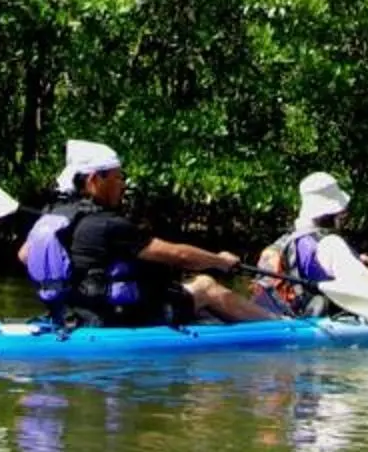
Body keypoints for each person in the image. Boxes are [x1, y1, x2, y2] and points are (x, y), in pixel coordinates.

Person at [19, 140, 278, 327]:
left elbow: (24, 255)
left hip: (70, 316)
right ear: (94, 180)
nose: (123, 184)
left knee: (185, 295)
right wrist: (220, 261)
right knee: (205, 286)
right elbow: (179, 256)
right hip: (115, 319)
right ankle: (282, 326)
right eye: (119, 178)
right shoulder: (107, 223)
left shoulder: (54, 216)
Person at [255, 171, 368, 317]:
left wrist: (355, 260)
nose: (342, 215)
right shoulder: (330, 243)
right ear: (332, 211)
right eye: (340, 212)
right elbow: (366, 285)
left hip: (296, 312)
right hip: (329, 315)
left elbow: (308, 267)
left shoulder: (289, 239)